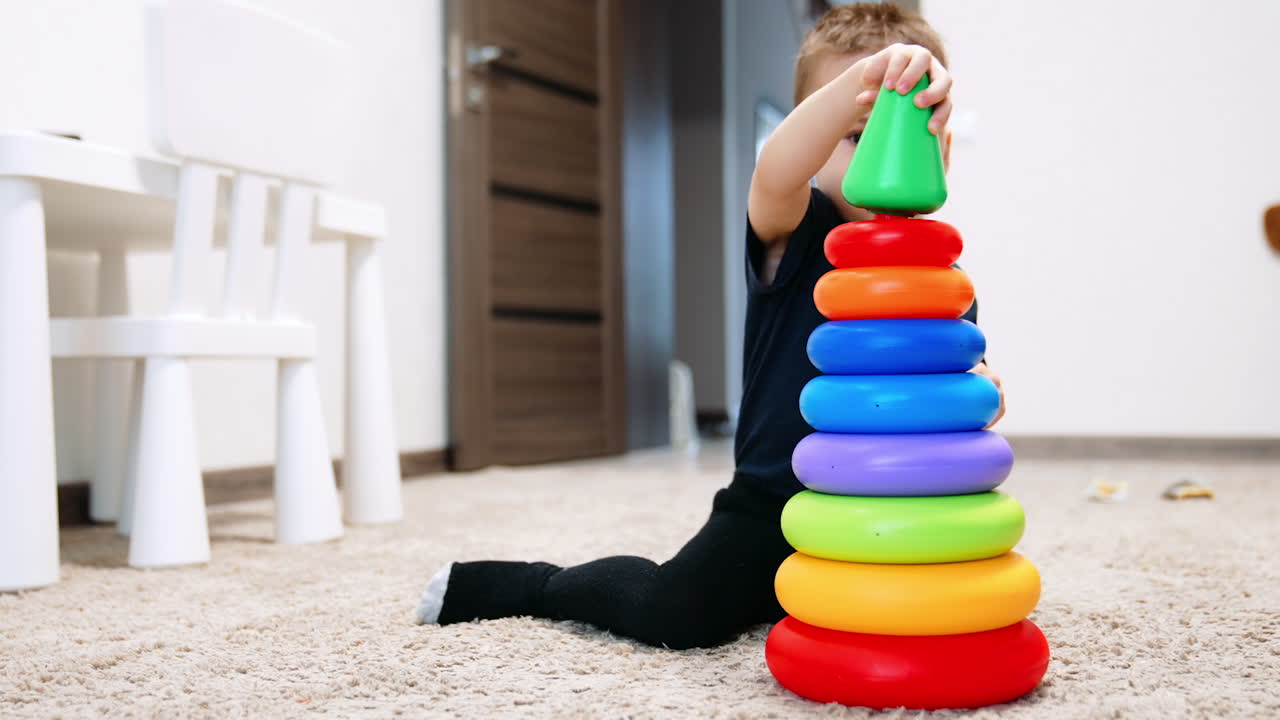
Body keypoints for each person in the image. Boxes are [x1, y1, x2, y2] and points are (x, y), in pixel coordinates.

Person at [414, 2, 1005, 649]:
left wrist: (981, 390)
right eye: (854, 133)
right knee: (675, 613)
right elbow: (775, 168)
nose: (879, 152)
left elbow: (950, 381)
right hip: (772, 505)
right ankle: (530, 583)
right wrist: (861, 88)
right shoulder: (795, 230)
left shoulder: (936, 273)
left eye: (908, 133)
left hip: (888, 510)